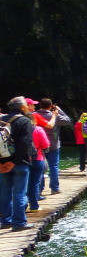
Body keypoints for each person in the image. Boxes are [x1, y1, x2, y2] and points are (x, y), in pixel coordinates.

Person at [0, 96, 35, 231]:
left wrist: (2, 162)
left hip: (2, 162)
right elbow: (25, 143)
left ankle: (5, 221)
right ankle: (19, 222)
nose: (27, 106)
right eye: (26, 104)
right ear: (21, 107)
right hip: (20, 163)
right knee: (19, 193)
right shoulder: (24, 120)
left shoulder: (1, 119)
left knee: (4, 192)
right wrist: (14, 162)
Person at [34, 98, 71, 195]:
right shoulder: (55, 116)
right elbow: (67, 120)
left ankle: (39, 190)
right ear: (50, 106)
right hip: (53, 145)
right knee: (53, 166)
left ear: (40, 105)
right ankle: (54, 188)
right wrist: (59, 111)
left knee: (41, 167)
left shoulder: (35, 116)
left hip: (39, 145)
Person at [27, 113, 50, 212]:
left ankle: (22, 206)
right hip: (37, 158)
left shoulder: (16, 130)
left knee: (22, 184)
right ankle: (34, 206)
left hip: (21, 160)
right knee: (34, 183)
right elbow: (45, 145)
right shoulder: (38, 129)